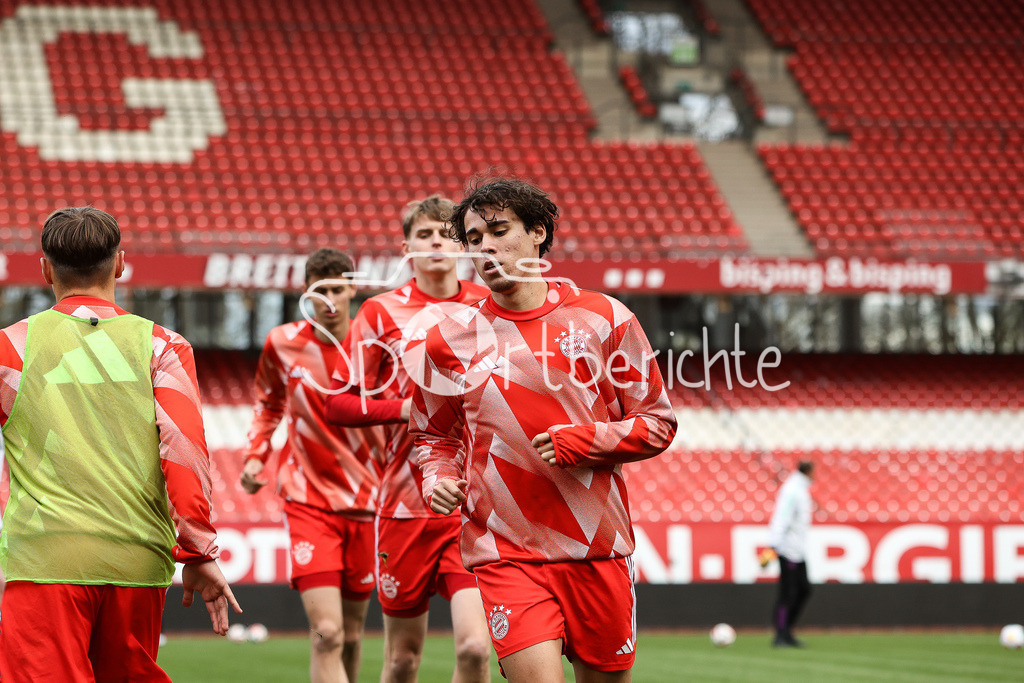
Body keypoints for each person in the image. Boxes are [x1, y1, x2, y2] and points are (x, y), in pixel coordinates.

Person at [410, 178, 678, 682]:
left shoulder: (604, 319)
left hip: (598, 549)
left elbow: (658, 424)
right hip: (506, 552)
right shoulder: (447, 340)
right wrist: (436, 479)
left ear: (537, 233)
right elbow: (432, 437)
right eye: (473, 238)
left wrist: (583, 441)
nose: (485, 246)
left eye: (499, 231)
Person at [0, 207, 241, 682]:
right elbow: (186, 453)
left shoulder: (11, 347)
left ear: (44, 268)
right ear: (120, 264)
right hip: (136, 561)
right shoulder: (163, 346)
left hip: (44, 561)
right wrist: (197, 551)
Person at [325, 196, 491, 683]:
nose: (436, 241)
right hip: (403, 505)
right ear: (406, 248)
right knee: (401, 661)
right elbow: (337, 402)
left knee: (477, 649)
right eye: (425, 234)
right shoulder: (379, 313)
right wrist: (406, 409)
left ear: (460, 245)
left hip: (472, 504)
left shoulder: (487, 306)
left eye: (445, 233)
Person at [239, 248, 383, 683]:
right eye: (320, 291)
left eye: (338, 289)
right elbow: (268, 405)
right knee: (328, 633)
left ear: (353, 289)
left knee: (354, 636)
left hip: (367, 500)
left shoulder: (378, 345)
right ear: (305, 292)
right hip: (307, 499)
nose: (330, 301)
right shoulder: (283, 343)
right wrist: (254, 457)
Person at [766, 460, 814, 648]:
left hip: (798, 551)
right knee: (787, 593)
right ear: (808, 471)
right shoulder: (793, 490)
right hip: (788, 550)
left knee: (803, 590)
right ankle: (780, 634)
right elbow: (781, 517)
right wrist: (773, 545)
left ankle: (786, 630)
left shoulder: (800, 489)